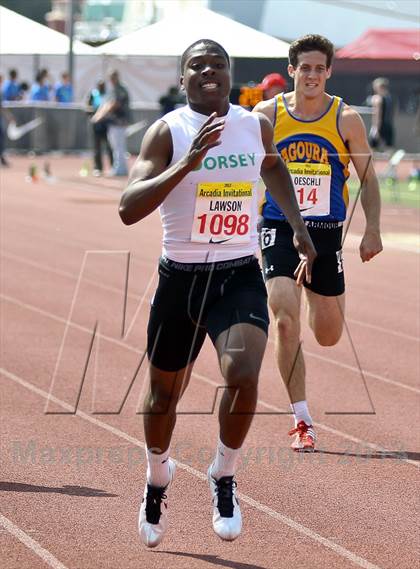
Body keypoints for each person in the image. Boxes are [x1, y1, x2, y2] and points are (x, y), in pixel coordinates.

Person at [119, 39, 316, 547]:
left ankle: (223, 474)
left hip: (237, 274)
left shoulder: (255, 124)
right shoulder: (167, 131)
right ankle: (157, 477)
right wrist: (187, 163)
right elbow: (128, 207)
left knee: (244, 375)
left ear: (231, 76)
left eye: (218, 65)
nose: (209, 72)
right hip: (180, 279)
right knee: (164, 395)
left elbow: (271, 165)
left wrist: (296, 224)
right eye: (197, 66)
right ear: (183, 79)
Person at [253, 34, 383, 452]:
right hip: (278, 226)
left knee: (327, 335)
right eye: (303, 68)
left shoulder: (345, 118)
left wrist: (373, 228)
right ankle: (302, 419)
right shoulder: (266, 115)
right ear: (291, 71)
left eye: (318, 68)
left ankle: (314, 293)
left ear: (328, 71)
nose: (311, 75)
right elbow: (239, 168)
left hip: (326, 233)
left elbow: (368, 177)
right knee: (284, 320)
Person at [91, 70, 130, 176]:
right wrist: (99, 115)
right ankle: (118, 167)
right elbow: (107, 104)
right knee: (115, 146)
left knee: (119, 146)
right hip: (113, 122)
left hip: (119, 122)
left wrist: (100, 116)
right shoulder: (113, 89)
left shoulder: (120, 89)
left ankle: (121, 168)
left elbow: (114, 104)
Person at [86, 80, 113, 176]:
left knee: (110, 146)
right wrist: (94, 114)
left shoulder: (108, 95)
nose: (102, 87)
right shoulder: (93, 94)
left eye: (103, 85)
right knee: (97, 147)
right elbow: (87, 108)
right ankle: (98, 168)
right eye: (100, 85)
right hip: (96, 125)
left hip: (107, 125)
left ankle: (113, 167)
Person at [369, 77, 394, 151]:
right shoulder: (390, 98)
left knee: (372, 149)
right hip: (389, 125)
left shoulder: (377, 98)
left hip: (379, 126)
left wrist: (375, 128)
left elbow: (377, 114)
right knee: (389, 149)